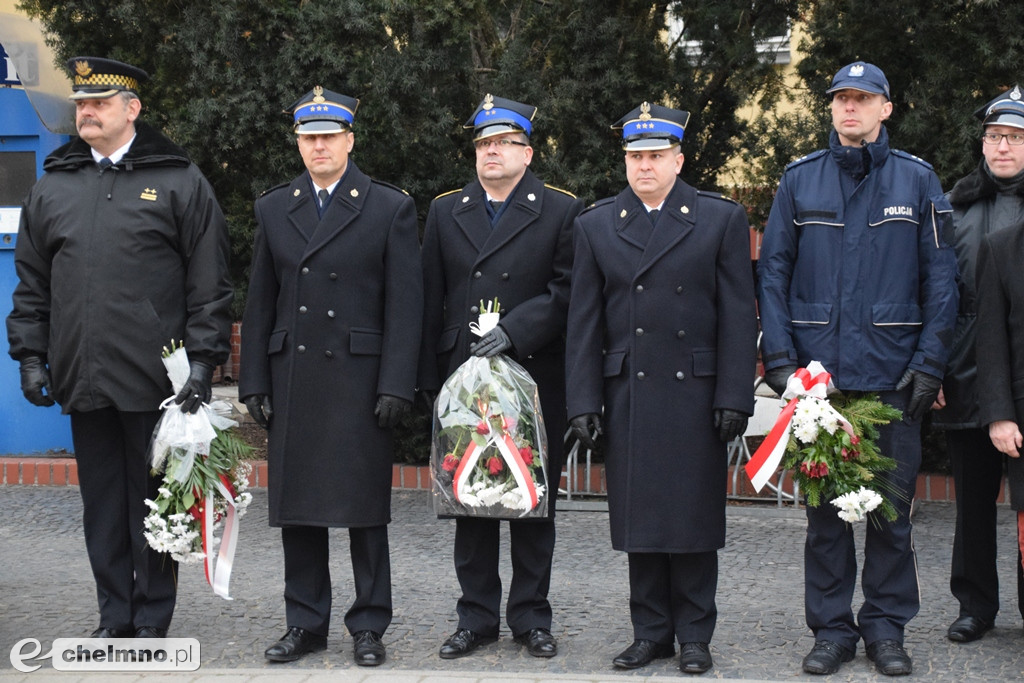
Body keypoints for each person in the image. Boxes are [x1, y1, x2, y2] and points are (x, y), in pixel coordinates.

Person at [6, 57, 233, 639]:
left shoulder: (180, 180)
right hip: (84, 376)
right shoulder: (54, 185)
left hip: (158, 382)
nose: (86, 111)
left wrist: (204, 365)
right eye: (82, 103)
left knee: (155, 504)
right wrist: (31, 356)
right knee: (103, 507)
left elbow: (208, 284)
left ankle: (154, 616)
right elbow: (32, 283)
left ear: (132, 109)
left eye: (99, 102)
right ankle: (114, 616)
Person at [758, 62, 958, 676]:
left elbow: (942, 279)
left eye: (862, 99)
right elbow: (773, 274)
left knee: (891, 513)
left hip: (892, 378)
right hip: (822, 386)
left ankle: (887, 629)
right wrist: (784, 362)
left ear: (885, 109)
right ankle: (832, 631)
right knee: (826, 516)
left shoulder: (918, 181)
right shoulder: (800, 181)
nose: (850, 108)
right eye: (841, 99)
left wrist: (929, 362)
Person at [566, 102, 757, 675]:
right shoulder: (597, 224)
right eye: (634, 156)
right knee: (640, 519)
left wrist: (733, 395)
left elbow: (737, 316)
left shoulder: (719, 218)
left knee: (693, 520)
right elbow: (584, 322)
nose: (644, 165)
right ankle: (650, 631)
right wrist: (583, 401)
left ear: (678, 158)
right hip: (631, 391)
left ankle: (695, 634)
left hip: (695, 394)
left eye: (654, 155)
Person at [239, 86, 422, 666]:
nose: (318, 146)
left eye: (328, 136)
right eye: (308, 138)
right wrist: (253, 382)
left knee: (363, 510)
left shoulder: (388, 207)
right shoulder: (275, 207)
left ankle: (369, 624)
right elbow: (259, 302)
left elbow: (405, 306)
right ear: (299, 143)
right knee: (299, 508)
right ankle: (305, 622)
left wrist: (398, 381)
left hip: (360, 380)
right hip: (294, 374)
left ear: (349, 140)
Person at [419, 94, 582, 660]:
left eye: (502, 143)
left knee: (532, 500)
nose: (490, 152)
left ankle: (532, 616)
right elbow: (430, 296)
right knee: (471, 495)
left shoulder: (562, 209)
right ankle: (476, 617)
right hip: (466, 380)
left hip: (534, 379)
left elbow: (569, 291)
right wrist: (428, 378)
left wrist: (517, 328)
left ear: (527, 152)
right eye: (483, 143)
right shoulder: (446, 209)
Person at [935, 86, 1024, 643]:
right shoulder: (952, 205)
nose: (1003, 147)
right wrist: (934, 367)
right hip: (967, 370)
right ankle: (975, 604)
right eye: (995, 137)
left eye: (1015, 138)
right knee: (971, 501)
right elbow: (933, 291)